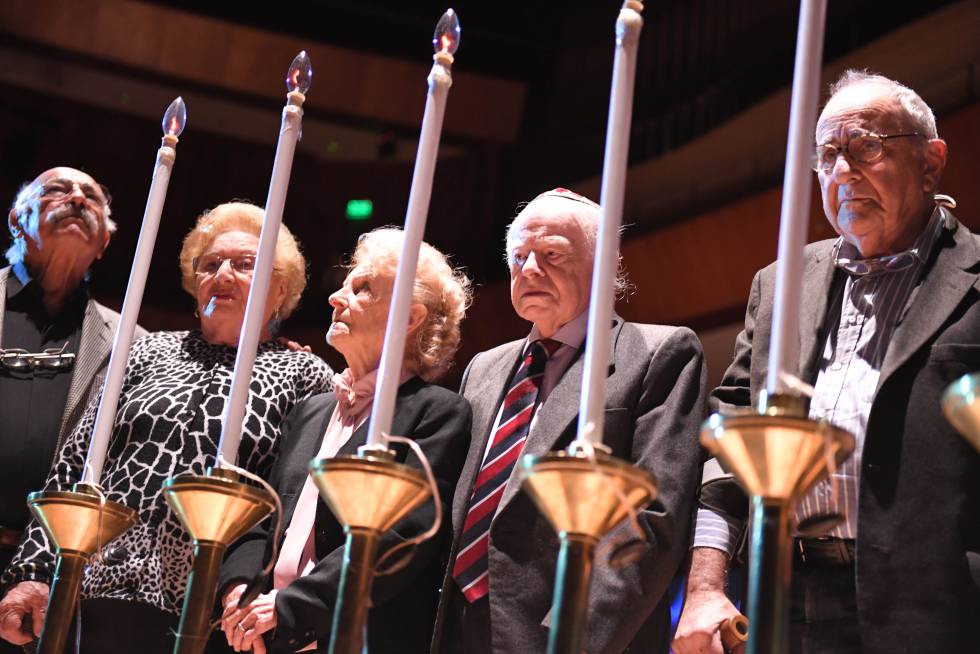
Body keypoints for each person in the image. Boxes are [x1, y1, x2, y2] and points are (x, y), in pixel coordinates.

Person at [672, 71, 980, 654]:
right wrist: (706, 586)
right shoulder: (780, 283)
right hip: (783, 596)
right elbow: (732, 441)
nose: (843, 171)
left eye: (867, 145)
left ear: (931, 161)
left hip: (941, 607)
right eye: (828, 154)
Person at [0, 201, 334, 653]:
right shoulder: (147, 351)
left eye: (244, 265)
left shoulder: (305, 375)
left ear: (280, 290)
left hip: (211, 607)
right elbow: (76, 463)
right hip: (94, 588)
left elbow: (292, 500)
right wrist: (34, 572)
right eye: (210, 264)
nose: (223, 275)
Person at [432, 188, 707, 653]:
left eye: (552, 255)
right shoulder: (484, 367)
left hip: (569, 631)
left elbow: (653, 521)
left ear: (605, 265)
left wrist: (575, 635)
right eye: (519, 256)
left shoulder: (660, 353)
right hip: (458, 628)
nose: (530, 269)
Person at [217, 227, 472, 654]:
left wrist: (290, 607)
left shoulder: (437, 412)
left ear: (410, 318)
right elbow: (263, 515)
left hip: (355, 636)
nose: (336, 298)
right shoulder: (311, 410)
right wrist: (238, 592)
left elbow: (404, 539)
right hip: (265, 636)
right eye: (343, 285)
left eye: (363, 288)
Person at [0, 167, 145, 654]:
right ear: (17, 220)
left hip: (50, 576)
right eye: (59, 190)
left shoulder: (132, 343)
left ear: (102, 243)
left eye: (92, 198)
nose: (78, 199)